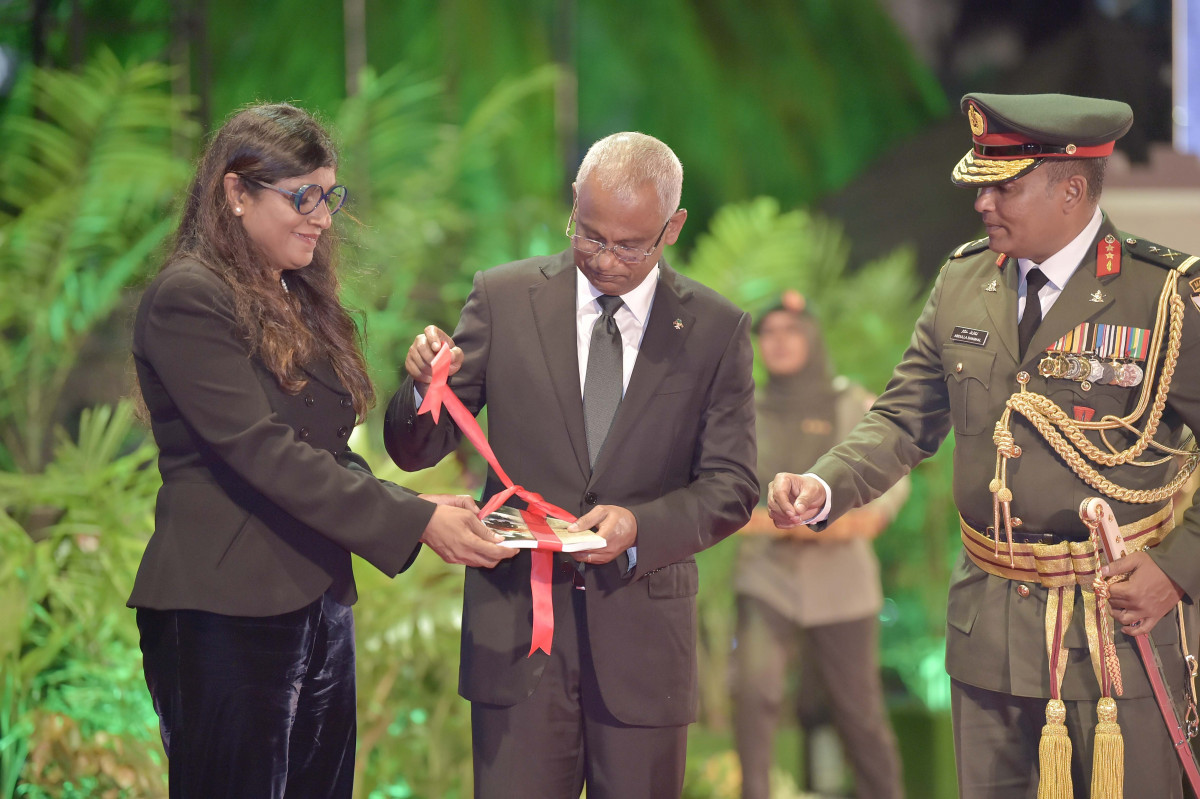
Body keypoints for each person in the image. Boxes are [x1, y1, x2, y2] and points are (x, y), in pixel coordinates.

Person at [767, 93, 1200, 798]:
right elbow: (905, 417)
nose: (983, 203)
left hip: (1115, 628)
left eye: (1004, 186)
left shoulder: (1164, 297)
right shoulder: (962, 280)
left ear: (1070, 188)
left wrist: (1177, 569)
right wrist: (824, 486)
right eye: (981, 185)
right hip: (988, 631)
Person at [129, 102, 512, 799]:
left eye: (328, 195)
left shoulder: (296, 297)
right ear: (236, 193)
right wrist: (416, 521)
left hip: (316, 600)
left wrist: (416, 502)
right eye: (302, 197)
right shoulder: (188, 297)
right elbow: (265, 453)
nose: (323, 217)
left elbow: (325, 452)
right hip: (224, 608)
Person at [384, 131, 758, 799]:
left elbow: (731, 487)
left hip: (644, 647)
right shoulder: (502, 298)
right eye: (587, 234)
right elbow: (418, 449)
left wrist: (638, 526)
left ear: (672, 228)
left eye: (628, 245)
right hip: (516, 639)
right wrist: (421, 387)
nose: (602, 258)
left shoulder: (714, 329)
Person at [732, 293, 906, 799]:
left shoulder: (849, 399)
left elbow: (892, 468)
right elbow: (723, 483)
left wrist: (872, 516)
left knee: (858, 709)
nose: (779, 342)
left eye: (791, 330)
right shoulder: (746, 409)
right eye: (769, 333)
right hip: (767, 574)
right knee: (754, 691)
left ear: (812, 337)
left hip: (842, 581)